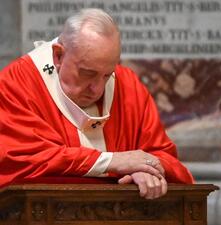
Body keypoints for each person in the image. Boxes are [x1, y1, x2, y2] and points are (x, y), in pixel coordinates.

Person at [0, 8, 194, 199]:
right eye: (87, 74)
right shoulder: (16, 85)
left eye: (106, 75)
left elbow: (163, 156)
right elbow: (22, 159)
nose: (98, 89)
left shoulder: (127, 85)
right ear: (58, 56)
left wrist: (145, 170)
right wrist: (114, 162)